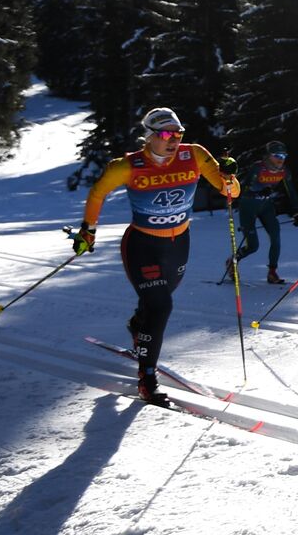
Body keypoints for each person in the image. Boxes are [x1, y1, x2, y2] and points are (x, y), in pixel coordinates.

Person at [72, 107, 240, 405]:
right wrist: (88, 230)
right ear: (149, 136)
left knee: (155, 304)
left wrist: (228, 175)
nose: (173, 139)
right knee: (160, 305)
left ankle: (138, 325)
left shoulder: (195, 155)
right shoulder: (127, 166)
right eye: (165, 134)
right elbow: (98, 193)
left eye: (178, 133)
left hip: (178, 243)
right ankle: (147, 379)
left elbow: (232, 192)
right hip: (142, 245)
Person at [225, 140, 298, 285]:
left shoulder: (284, 171)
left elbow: (291, 191)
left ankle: (272, 273)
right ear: (268, 156)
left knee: (276, 237)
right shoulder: (258, 168)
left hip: (266, 206)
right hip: (248, 206)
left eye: (284, 155)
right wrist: (258, 191)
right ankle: (232, 261)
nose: (281, 159)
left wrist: (296, 212)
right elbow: (245, 188)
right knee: (253, 246)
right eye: (277, 155)